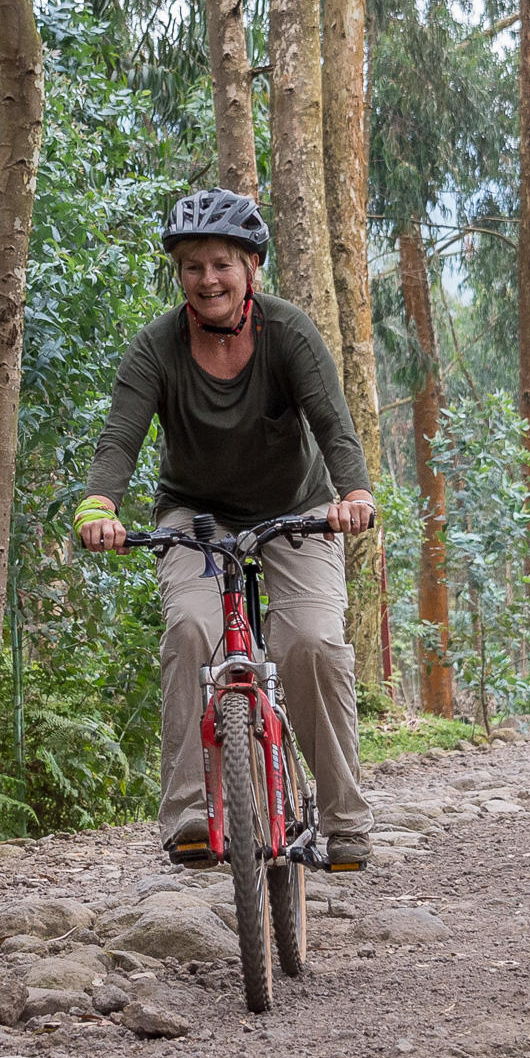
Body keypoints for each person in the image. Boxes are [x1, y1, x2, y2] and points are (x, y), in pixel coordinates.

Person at [74, 188, 377, 867]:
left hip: (297, 511)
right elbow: (118, 440)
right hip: (196, 516)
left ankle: (345, 818)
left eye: (221, 264)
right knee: (189, 629)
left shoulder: (288, 331)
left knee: (314, 644)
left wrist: (352, 494)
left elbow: (333, 424)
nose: (207, 278)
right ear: (178, 274)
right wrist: (99, 507)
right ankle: (188, 813)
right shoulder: (156, 347)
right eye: (191, 266)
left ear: (250, 269)